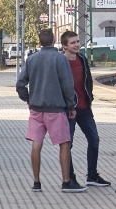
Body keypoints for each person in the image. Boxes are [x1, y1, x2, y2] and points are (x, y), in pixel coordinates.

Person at [16, 28, 86, 193]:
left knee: (36, 143)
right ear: (54, 41)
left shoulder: (31, 59)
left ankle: (36, 182)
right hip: (56, 109)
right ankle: (66, 181)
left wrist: (28, 99)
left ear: (40, 42)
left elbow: (20, 84)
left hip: (36, 109)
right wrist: (71, 106)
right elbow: (67, 85)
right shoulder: (60, 59)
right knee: (64, 143)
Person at [60, 31, 111, 187]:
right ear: (64, 46)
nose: (77, 45)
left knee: (94, 139)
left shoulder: (82, 59)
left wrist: (90, 99)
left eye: (77, 41)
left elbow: (88, 81)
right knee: (68, 144)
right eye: (73, 43)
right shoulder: (60, 61)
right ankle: (70, 177)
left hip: (85, 107)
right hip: (68, 109)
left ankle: (92, 175)